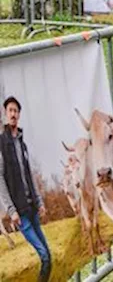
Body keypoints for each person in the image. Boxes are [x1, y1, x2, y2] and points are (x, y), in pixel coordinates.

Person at [0, 97, 51, 282]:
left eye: (16, 111)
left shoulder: (22, 144)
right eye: (10, 110)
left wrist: (39, 201)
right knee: (44, 256)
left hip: (32, 210)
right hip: (20, 215)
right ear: (5, 114)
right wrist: (11, 210)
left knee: (48, 257)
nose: (13, 114)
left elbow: (29, 176)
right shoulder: (1, 144)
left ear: (19, 115)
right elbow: (0, 180)